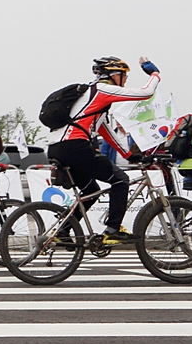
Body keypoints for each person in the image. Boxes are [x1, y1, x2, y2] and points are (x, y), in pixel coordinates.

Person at [50, 56, 161, 245]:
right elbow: (146, 93)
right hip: (74, 146)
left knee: (90, 191)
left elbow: (105, 130)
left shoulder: (90, 95)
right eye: (124, 75)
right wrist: (154, 74)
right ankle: (112, 230)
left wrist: (129, 155)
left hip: (57, 147)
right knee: (121, 180)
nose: (125, 80)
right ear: (114, 75)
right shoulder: (102, 89)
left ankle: (62, 231)